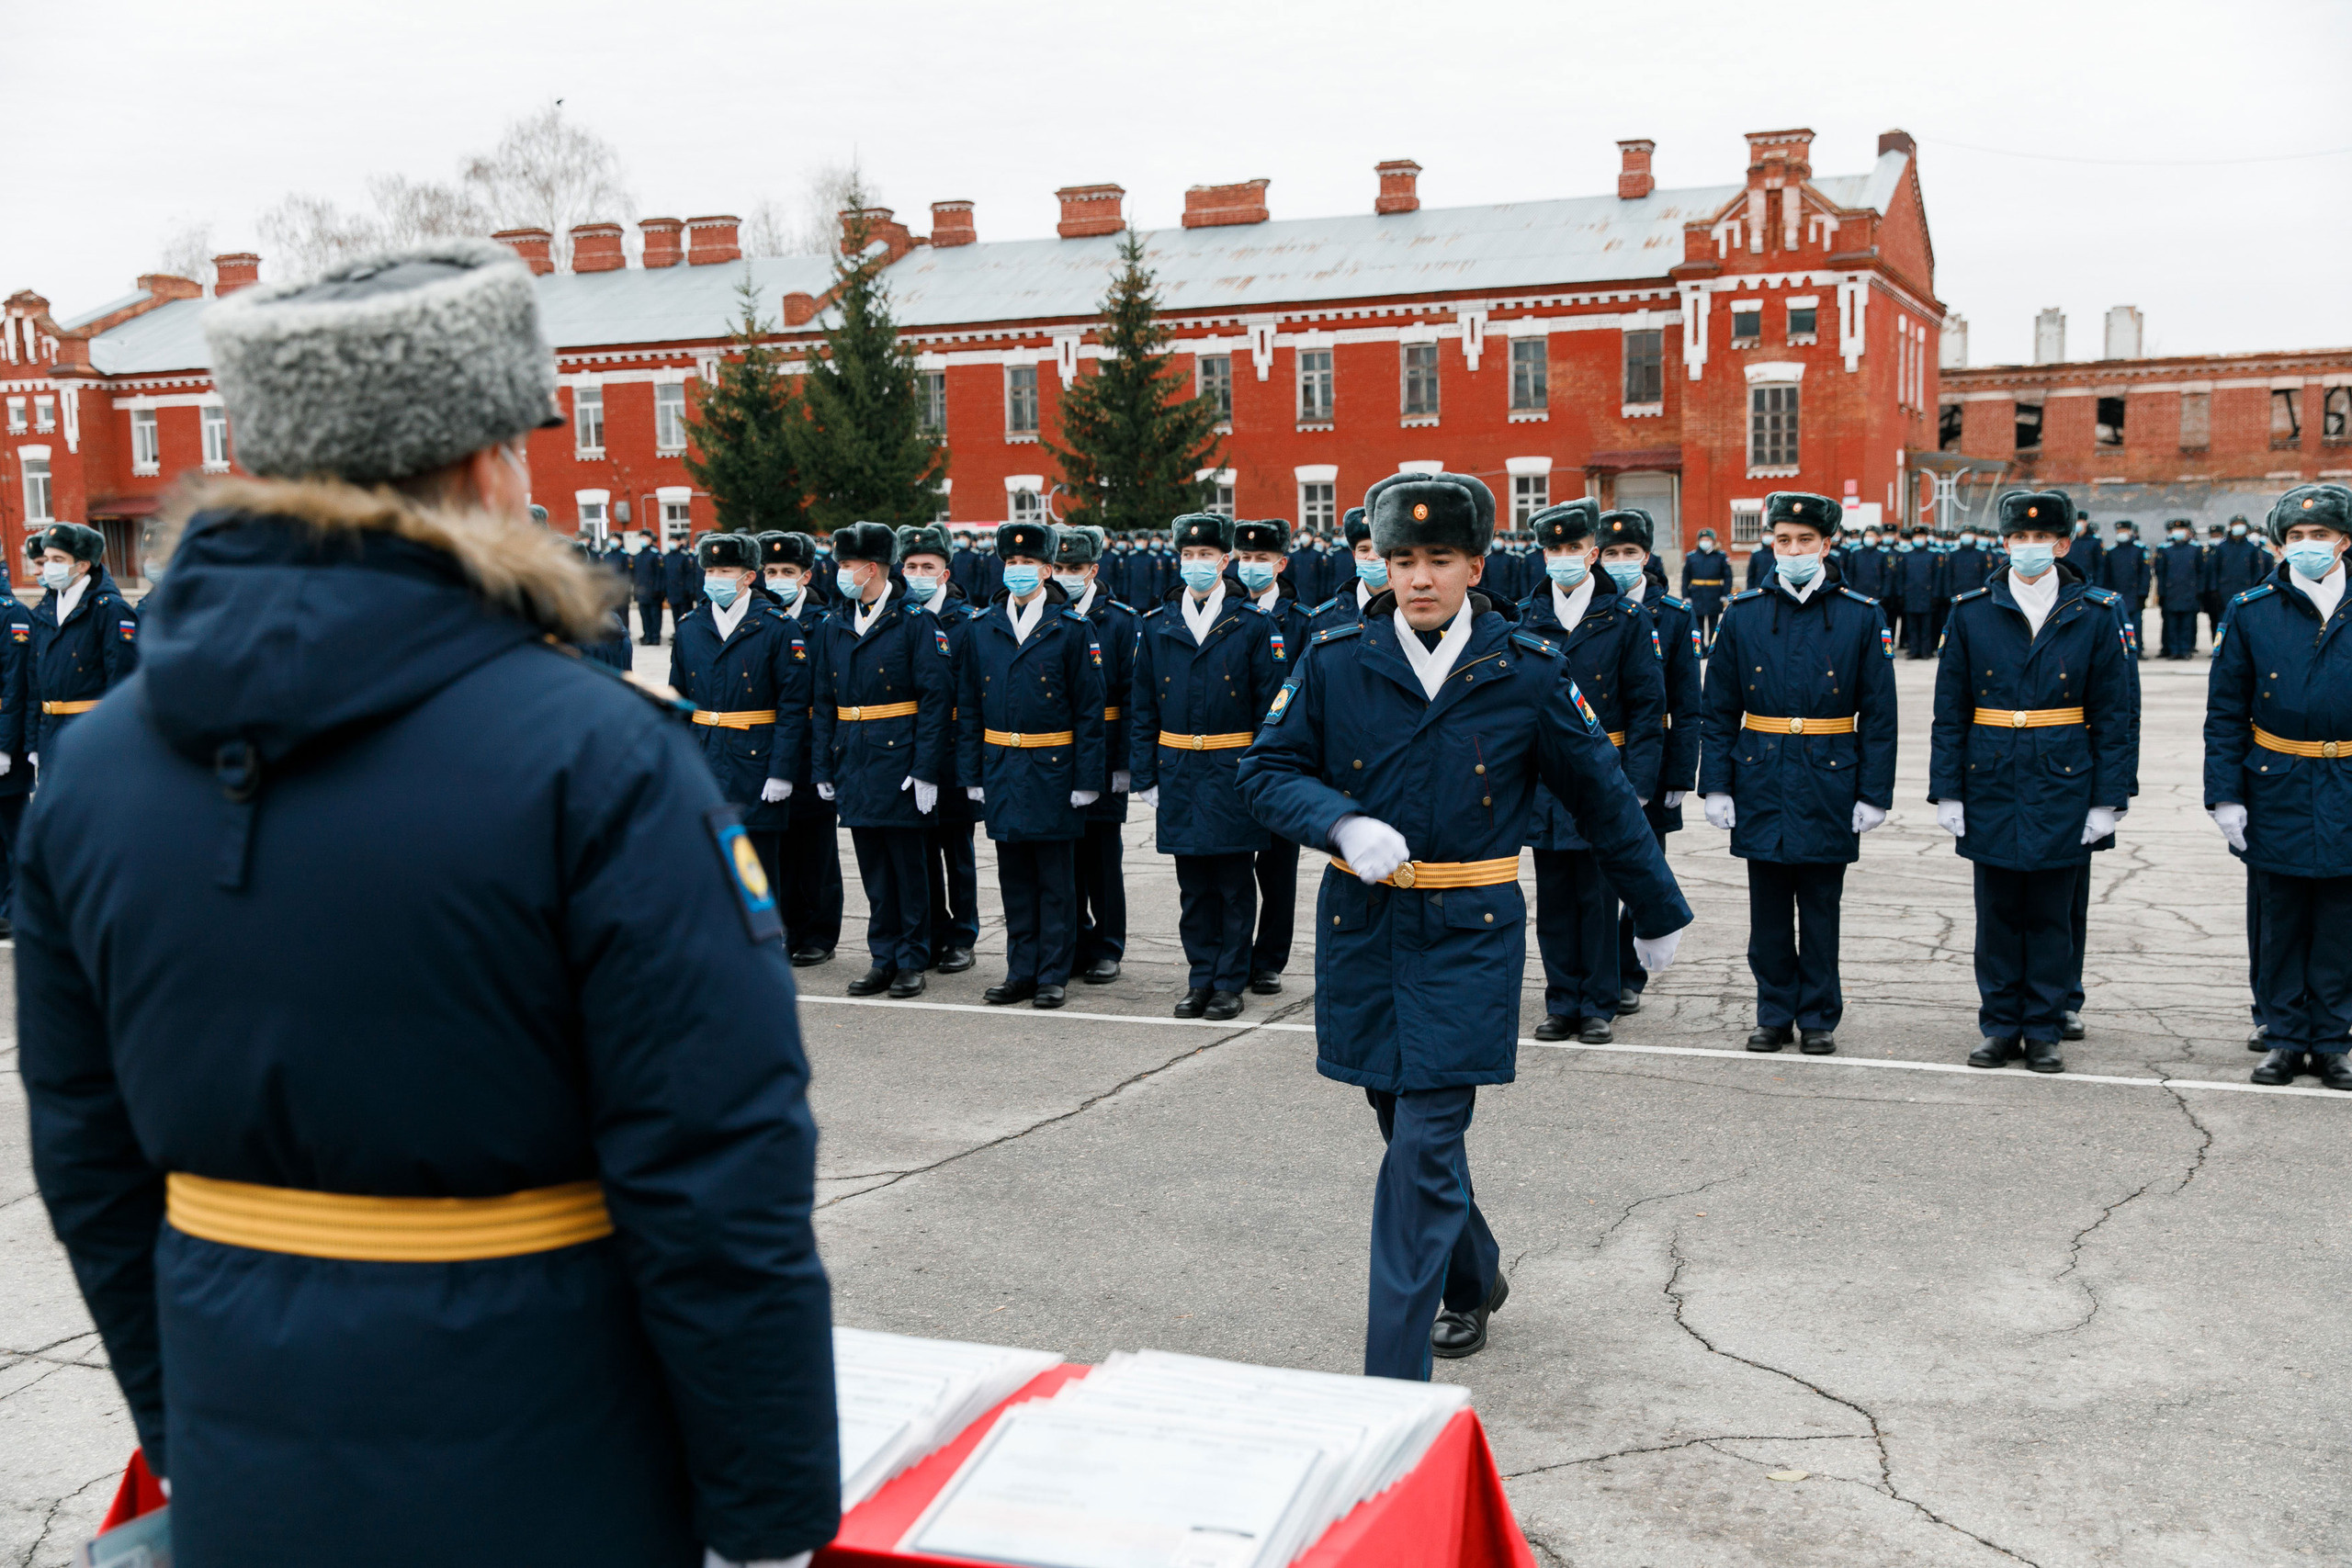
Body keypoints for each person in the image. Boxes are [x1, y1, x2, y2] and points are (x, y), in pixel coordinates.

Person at [18, 237, 836, 1566]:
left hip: (245, 1451)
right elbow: (716, 1167)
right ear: (473, 466)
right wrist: (768, 1516)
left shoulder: (100, 765)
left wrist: (190, 1427)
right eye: (518, 445)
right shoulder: (595, 754)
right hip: (557, 1456)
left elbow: (88, 1155)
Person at [1237, 469, 1691, 1381]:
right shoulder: (1335, 656)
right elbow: (1265, 770)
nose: (1415, 578)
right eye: (1398, 559)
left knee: (1420, 1147)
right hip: (1365, 930)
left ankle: (1389, 1377)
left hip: (1469, 934)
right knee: (1395, 1120)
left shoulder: (1522, 670)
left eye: (1437, 559)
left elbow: (1601, 796)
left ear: (1474, 565)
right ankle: (1475, 1272)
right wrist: (1340, 822)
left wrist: (1653, 907)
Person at [1931, 490, 2138, 1075]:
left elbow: (2114, 713)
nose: (2027, 548)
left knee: (2051, 914)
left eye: (2039, 538)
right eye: (2017, 539)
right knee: (1997, 913)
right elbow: (1951, 709)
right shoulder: (1971, 610)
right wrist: (1947, 789)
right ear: (2004, 544)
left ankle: (2043, 1027)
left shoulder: (2096, 612)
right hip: (1991, 774)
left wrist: (2108, 801)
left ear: (2063, 544)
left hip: (2063, 779)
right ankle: (1999, 1025)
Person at [1698, 492, 1897, 1055]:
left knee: (1819, 909)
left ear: (1827, 545)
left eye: (1805, 540)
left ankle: (1817, 1018)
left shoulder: (1861, 615)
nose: (1793, 550)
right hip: (1760, 774)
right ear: (1771, 544)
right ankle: (1772, 1012)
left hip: (1829, 777)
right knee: (1766, 914)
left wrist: (1874, 793)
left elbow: (1880, 715)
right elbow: (1718, 710)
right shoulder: (1744, 613)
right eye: (1783, 540)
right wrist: (1715, 784)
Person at [2206, 484, 2352, 1089]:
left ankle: (2334, 1037)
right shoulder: (2252, 608)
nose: (2308, 546)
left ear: (2344, 540)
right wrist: (2225, 794)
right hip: (2276, 779)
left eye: (2320, 536)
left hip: (2345, 776)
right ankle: (2286, 1036)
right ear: (2281, 543)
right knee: (2279, 914)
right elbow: (2225, 711)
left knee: (2341, 915)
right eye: (2295, 537)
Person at [1517, 501, 1664, 1043]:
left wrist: (1640, 785)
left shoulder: (1627, 619)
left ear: (1592, 553)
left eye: (1572, 549)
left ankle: (1599, 1002)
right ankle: (1562, 1001)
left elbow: (1648, 708)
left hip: (1608, 773)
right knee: (1554, 896)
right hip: (1548, 780)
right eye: (1553, 549)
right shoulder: (1525, 619)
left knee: (1599, 897)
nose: (1562, 558)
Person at [1129, 513, 1283, 1020]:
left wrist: (1263, 772)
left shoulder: (1254, 624)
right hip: (1178, 767)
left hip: (1231, 767)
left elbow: (1270, 708)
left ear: (1225, 560)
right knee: (1193, 887)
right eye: (1188, 556)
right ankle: (1200, 978)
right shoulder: (1158, 625)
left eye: (1206, 556)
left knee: (1235, 885)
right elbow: (1144, 705)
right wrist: (1145, 774)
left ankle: (1230, 982)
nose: (1196, 564)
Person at [957, 519, 1107, 1010]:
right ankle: (1021, 970)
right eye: (1011, 562)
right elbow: (970, 707)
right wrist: (972, 775)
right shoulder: (983, 628)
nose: (1017, 570)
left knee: (1056, 882)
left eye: (1028, 563)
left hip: (1053, 768)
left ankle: (1052, 973)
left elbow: (1090, 710)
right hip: (1002, 765)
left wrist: (1087, 779)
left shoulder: (1072, 629)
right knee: (1014, 878)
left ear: (1047, 570)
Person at [810, 521, 955, 998]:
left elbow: (936, 700)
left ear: (870, 568)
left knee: (909, 868)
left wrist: (925, 768)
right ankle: (883, 956)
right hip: (854, 757)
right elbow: (824, 701)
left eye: (845, 566)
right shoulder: (835, 624)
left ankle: (913, 958)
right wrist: (823, 766)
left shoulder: (915, 621)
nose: (839, 574)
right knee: (872, 866)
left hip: (899, 759)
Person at [673, 531, 808, 951]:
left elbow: (793, 706)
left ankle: (766, 945)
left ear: (748, 577)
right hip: (705, 753)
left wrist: (782, 771)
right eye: (710, 569)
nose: (714, 577)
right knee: (708, 856)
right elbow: (678, 700)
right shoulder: (692, 626)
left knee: (759, 863)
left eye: (724, 570)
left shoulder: (777, 627)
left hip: (755, 758)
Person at [1604, 510, 1703, 1014]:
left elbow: (1687, 704)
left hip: (1653, 764)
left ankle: (1630, 972)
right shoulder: (1589, 608)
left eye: (1630, 554)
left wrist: (1682, 775)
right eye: (1611, 553)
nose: (1621, 563)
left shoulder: (1675, 615)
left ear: (1647, 556)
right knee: (1595, 877)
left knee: (1642, 872)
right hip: (1596, 762)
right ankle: (1602, 973)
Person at [893, 525, 982, 976]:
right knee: (919, 851)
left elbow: (972, 698)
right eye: (911, 566)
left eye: (928, 567)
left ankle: (962, 935)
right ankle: (929, 930)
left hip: (953, 750)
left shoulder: (967, 622)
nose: (918, 574)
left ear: (946, 573)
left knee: (957, 850)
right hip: (911, 750)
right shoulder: (898, 617)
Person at [1055, 525, 1138, 984]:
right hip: (1055, 752)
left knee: (1102, 857)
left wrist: (1124, 762)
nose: (1068, 576)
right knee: (1063, 857)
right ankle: (1073, 940)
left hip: (1104, 750)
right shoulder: (1046, 614)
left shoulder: (1121, 621)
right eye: (1062, 567)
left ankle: (1107, 944)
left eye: (1076, 568)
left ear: (1093, 570)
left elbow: (1130, 697)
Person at [1235, 517, 1315, 994]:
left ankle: (1268, 960)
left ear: (1281, 563)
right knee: (1230, 868)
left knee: (1277, 870)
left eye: (1261, 558)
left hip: (1282, 761)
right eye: (1244, 558)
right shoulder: (1224, 611)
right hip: (1229, 758)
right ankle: (1233, 954)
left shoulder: (1303, 621)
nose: (1251, 567)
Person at [759, 531, 843, 966]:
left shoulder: (824, 622)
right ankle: (786, 925)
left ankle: (820, 932)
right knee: (780, 849)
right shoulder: (759, 619)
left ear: (806, 575)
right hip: (769, 746)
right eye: (770, 571)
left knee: (816, 850)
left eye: (786, 572)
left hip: (812, 747)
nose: (776, 579)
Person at [0, 581, 32, 938]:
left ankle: (19, 909)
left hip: (4, 736)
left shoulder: (12, 613)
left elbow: (15, 685)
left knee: (14, 831)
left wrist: (5, 746)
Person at [1309, 507, 1384, 634]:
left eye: (1378, 550)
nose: (1371, 557)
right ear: (1354, 556)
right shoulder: (1326, 617)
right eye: (1364, 550)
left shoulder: (1412, 610)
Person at [2154, 519, 2205, 659]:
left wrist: (2199, 591)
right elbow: (2160, 573)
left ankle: (2185, 650)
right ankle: (2173, 650)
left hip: (2189, 592)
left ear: (2188, 531)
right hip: (2171, 592)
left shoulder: (2196, 549)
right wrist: (2161, 593)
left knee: (2187, 624)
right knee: (2171, 624)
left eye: (2183, 528)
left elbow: (2201, 571)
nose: (2179, 532)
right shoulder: (2165, 549)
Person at [2103, 520, 2152, 658]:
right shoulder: (2111, 551)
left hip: (2134, 594)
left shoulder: (2139, 549)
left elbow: (2145, 574)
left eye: (2124, 531)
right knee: (2117, 624)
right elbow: (2106, 575)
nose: (2121, 534)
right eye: (2119, 532)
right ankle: (2119, 649)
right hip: (2116, 593)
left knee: (2135, 624)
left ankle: (2137, 649)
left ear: (2130, 532)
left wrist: (2143, 592)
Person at [1681, 526, 1732, 645]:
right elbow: (1685, 578)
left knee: (1713, 623)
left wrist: (1725, 594)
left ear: (1713, 541)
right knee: (1698, 625)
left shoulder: (1720, 557)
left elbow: (1728, 577)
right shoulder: (1692, 557)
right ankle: (1700, 648)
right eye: (1702, 539)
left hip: (1714, 594)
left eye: (1708, 539)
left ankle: (1711, 647)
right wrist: (1686, 595)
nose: (1705, 542)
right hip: (1697, 594)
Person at [1895, 525, 1939, 658]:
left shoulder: (1933, 554)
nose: (1918, 539)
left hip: (1927, 594)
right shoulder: (1906, 555)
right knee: (1912, 626)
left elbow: (1937, 577)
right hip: (1911, 594)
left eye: (1921, 537)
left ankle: (1926, 651)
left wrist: (1936, 595)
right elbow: (1900, 576)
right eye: (1916, 537)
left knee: (1926, 626)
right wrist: (1900, 594)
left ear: (1926, 538)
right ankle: (1914, 650)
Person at [628, 528, 666, 644]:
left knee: (655, 615)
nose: (642, 540)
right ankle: (647, 635)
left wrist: (658, 590)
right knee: (644, 616)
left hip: (653, 592)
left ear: (650, 539)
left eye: (645, 538)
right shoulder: (638, 556)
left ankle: (655, 637)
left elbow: (660, 574)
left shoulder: (656, 555)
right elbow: (635, 576)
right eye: (641, 538)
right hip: (642, 592)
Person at [662, 530, 699, 637]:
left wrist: (690, 590)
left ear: (680, 542)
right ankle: (678, 634)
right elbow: (666, 575)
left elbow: (690, 575)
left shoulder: (686, 556)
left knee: (685, 616)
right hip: (672, 592)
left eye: (674, 540)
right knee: (675, 615)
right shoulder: (667, 557)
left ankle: (687, 634)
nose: (672, 542)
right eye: (670, 540)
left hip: (684, 593)